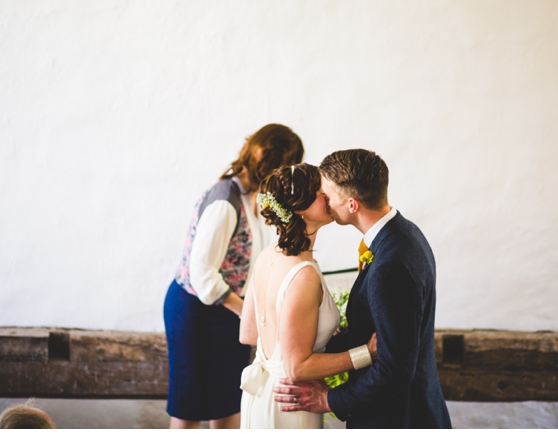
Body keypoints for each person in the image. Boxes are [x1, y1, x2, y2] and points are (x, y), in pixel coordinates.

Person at [274, 149, 452, 429]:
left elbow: (395, 369)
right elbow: (385, 331)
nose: (325, 202)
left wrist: (331, 400)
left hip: (395, 418)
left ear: (352, 205)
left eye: (327, 195)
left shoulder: (390, 266)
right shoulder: (406, 233)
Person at [163, 124, 304, 429]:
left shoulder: (249, 196)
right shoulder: (225, 200)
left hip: (227, 315)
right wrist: (248, 313)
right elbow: (201, 273)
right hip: (196, 315)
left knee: (227, 404)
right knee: (189, 409)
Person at [239, 163, 377, 429]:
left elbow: (248, 334)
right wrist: (365, 354)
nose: (327, 196)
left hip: (259, 396)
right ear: (300, 208)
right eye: (320, 192)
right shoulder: (303, 274)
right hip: (291, 402)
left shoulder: (267, 256)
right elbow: (298, 368)